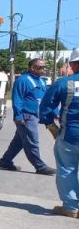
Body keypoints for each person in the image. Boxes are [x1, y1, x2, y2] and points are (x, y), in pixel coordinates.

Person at [0, 58, 56, 175]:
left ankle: (5, 161)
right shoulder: (23, 80)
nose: (43, 70)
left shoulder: (41, 81)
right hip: (26, 116)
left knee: (19, 141)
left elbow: (46, 98)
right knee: (32, 142)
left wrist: (54, 111)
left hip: (35, 115)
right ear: (32, 68)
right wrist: (18, 116)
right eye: (40, 67)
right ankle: (40, 166)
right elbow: (17, 99)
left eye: (44, 67)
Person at [40, 48, 79, 217]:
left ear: (72, 64)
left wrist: (52, 128)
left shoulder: (64, 83)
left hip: (69, 136)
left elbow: (45, 107)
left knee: (67, 170)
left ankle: (71, 207)